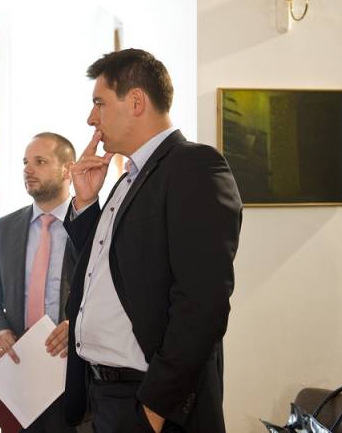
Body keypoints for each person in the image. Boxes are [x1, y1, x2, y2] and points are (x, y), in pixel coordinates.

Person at [63, 49, 243, 433]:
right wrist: (87, 203)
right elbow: (108, 270)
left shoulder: (193, 166)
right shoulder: (127, 178)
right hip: (103, 394)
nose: (91, 118)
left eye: (99, 103)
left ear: (136, 101)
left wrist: (154, 410)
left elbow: (202, 304)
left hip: (149, 401)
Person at [0, 132, 80, 432]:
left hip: (73, 373)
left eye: (40, 162)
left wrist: (78, 326)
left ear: (68, 170)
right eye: (25, 162)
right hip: (20, 372)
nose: (28, 170)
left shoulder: (91, 226)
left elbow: (109, 299)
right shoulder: (5, 228)